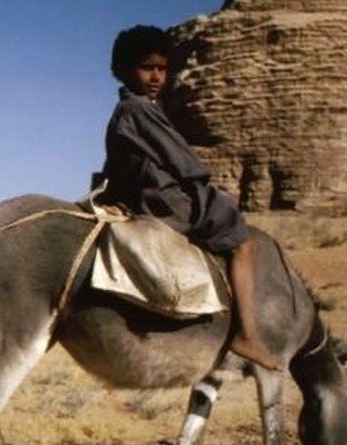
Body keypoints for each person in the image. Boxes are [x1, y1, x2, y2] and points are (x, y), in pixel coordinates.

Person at [96, 25, 282, 371]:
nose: (156, 76)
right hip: (163, 200)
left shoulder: (127, 110)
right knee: (243, 241)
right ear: (124, 69)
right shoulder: (139, 109)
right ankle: (247, 334)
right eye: (147, 67)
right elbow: (180, 158)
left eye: (162, 68)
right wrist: (203, 184)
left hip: (146, 194)